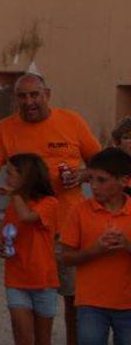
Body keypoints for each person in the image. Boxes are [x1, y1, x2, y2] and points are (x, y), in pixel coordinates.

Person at [0, 73, 102, 345]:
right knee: (29, 308)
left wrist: (81, 175)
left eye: (34, 94)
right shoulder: (5, 128)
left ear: (48, 94)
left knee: (76, 302)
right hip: (27, 235)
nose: (29, 101)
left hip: (69, 231)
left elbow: (101, 164)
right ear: (15, 99)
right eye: (22, 96)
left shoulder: (72, 121)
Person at [58, 147, 131, 345]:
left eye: (101, 180)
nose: (94, 186)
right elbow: (65, 257)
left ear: (124, 181)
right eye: (90, 179)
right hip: (90, 304)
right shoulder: (79, 212)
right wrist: (95, 251)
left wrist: (127, 245)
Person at [0, 153, 59, 345]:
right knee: (23, 337)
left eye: (11, 173)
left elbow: (27, 217)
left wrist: (14, 194)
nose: (7, 179)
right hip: (16, 278)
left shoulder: (49, 203)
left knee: (42, 339)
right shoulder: (13, 205)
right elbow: (6, 234)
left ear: (26, 176)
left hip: (43, 280)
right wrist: (1, 245)